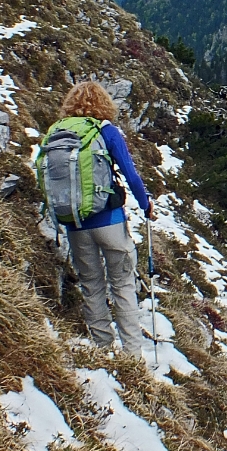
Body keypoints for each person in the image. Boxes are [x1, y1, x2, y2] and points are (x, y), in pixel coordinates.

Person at [52, 81, 155, 358]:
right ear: (103, 104)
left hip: (75, 225)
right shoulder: (106, 131)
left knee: (92, 285)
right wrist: (146, 205)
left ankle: (103, 351)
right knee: (122, 285)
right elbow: (131, 174)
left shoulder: (58, 134)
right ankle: (133, 356)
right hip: (109, 221)